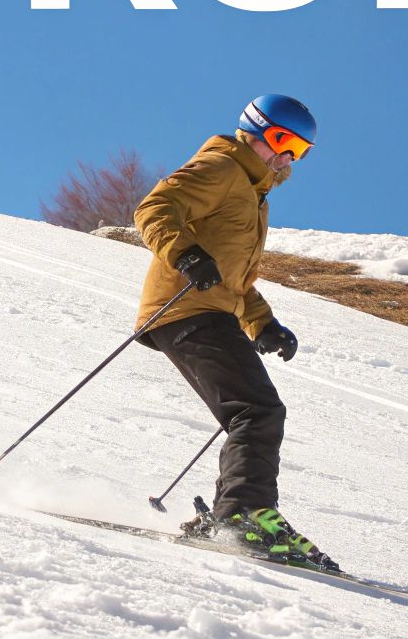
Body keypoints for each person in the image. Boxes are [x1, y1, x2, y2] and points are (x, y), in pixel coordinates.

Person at [132, 94, 338, 570]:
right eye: (284, 142)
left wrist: (263, 323)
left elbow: (235, 279)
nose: (288, 158)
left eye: (300, 151)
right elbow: (154, 207)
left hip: (209, 309)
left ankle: (229, 517)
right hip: (183, 307)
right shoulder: (221, 167)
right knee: (258, 410)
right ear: (255, 130)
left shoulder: (252, 194)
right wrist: (184, 254)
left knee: (252, 412)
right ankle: (245, 516)